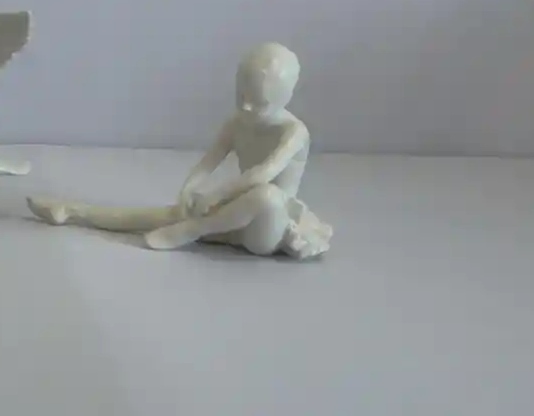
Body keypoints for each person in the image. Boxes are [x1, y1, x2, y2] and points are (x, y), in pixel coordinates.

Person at [26, 42, 332, 258]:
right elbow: (209, 160)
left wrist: (214, 197)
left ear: (286, 97)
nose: (246, 107)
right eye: (241, 96)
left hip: (265, 230)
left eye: (259, 103)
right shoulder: (237, 122)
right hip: (233, 215)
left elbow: (261, 174)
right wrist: (189, 189)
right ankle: (72, 211)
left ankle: (194, 230)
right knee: (157, 217)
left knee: (267, 195)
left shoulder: (294, 132)